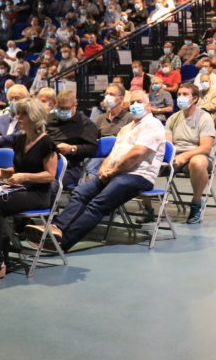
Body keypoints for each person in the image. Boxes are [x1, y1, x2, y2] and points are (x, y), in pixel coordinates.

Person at [27, 90, 164, 251]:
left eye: (139, 102)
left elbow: (137, 154)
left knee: (97, 204)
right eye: (132, 102)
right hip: (116, 173)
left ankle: (62, 242)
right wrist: (105, 167)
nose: (135, 105)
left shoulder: (153, 125)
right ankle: (56, 228)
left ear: (148, 104)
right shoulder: (127, 128)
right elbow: (113, 154)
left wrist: (113, 171)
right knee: (80, 192)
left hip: (137, 176)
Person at [0, 99, 57, 284]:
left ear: (34, 117)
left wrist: (25, 176)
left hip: (37, 194)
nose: (19, 118)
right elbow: (16, 169)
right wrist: (3, 171)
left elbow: (50, 175)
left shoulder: (47, 142)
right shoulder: (20, 139)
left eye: (23, 114)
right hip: (19, 189)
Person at [165, 84, 216, 224]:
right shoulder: (173, 118)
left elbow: (205, 147)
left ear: (195, 98)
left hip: (198, 155)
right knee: (147, 162)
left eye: (185, 94)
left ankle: (196, 202)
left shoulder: (204, 118)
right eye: (179, 94)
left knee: (197, 162)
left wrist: (185, 156)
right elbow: (168, 145)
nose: (180, 98)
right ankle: (148, 208)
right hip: (176, 157)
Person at [47, 90, 99, 187]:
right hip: (45, 162)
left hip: (70, 167)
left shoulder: (85, 124)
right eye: (59, 107)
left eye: (65, 108)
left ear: (75, 106)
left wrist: (72, 149)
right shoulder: (49, 119)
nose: (62, 111)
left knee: (48, 185)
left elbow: (93, 149)